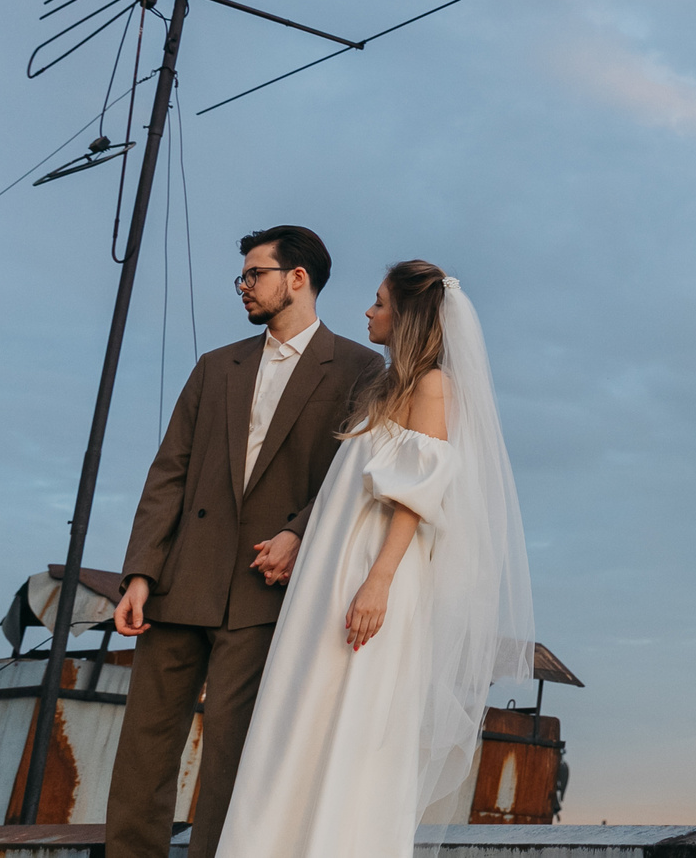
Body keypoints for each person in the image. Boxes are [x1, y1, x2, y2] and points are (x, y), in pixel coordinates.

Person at [219, 260, 535, 856]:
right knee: (305, 714)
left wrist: (378, 582)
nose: (369, 311)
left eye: (381, 303)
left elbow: (415, 497)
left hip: (371, 573)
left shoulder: (433, 388)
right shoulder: (389, 387)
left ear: (409, 317)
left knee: (350, 719)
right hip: (334, 569)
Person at [105, 226, 385, 858]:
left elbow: (357, 477)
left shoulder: (361, 368)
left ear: (297, 279)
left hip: (265, 591)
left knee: (233, 761)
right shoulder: (215, 366)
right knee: (142, 755)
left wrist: (297, 532)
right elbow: (168, 471)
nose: (242, 287)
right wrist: (140, 573)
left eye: (253, 274)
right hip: (179, 583)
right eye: (242, 276)